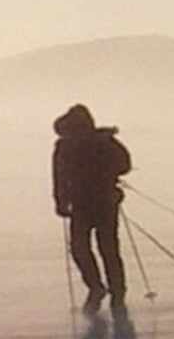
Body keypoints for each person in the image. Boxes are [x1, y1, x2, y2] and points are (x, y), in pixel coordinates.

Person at [52, 103, 132, 314]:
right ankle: (111, 289)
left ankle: (103, 288)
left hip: (90, 202)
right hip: (97, 201)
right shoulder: (101, 141)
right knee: (104, 247)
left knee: (90, 247)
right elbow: (124, 165)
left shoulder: (71, 145)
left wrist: (60, 201)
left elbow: (59, 177)